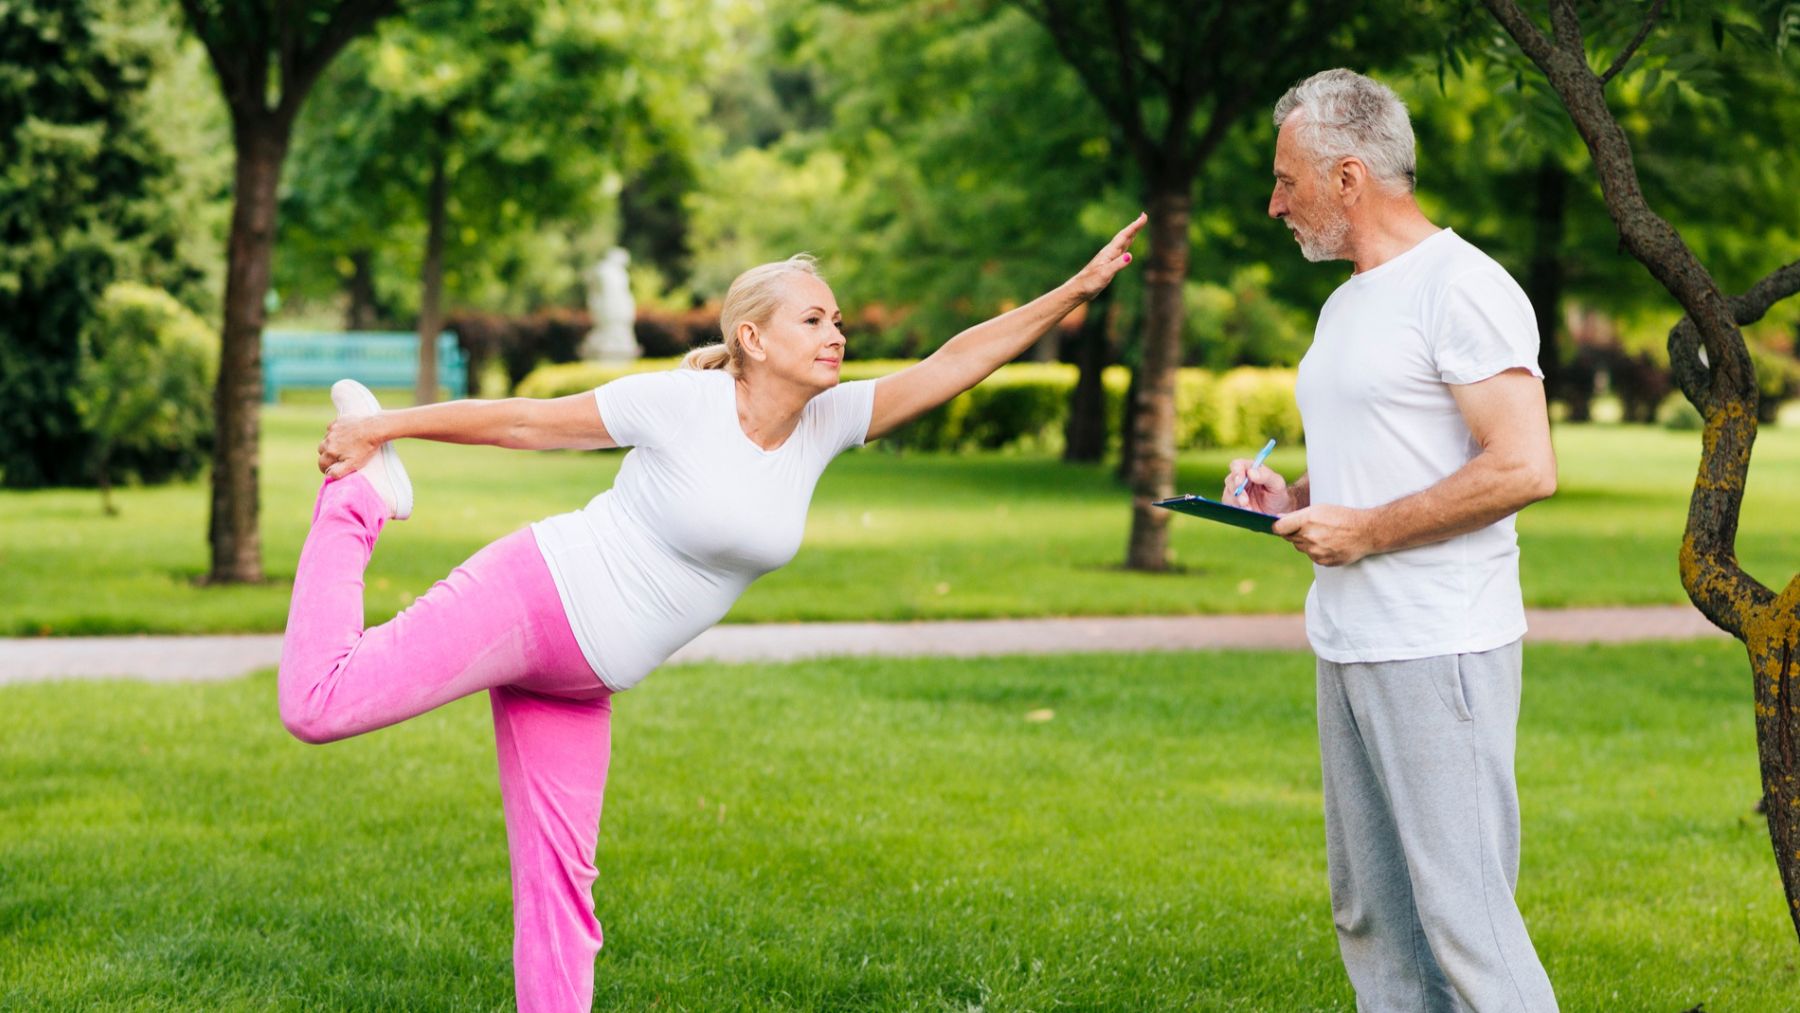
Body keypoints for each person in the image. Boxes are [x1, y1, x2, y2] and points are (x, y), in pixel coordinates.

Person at [280, 215, 1144, 1012]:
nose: (837, 334)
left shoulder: (827, 423)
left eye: (839, 320)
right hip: (537, 595)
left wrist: (1075, 290)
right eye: (814, 319)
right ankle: (359, 502)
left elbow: (954, 362)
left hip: (583, 681)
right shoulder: (684, 404)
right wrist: (383, 429)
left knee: (562, 888)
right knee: (319, 704)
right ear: (753, 338)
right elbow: (527, 424)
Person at [1225, 69, 1559, 1011]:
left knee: (1467, 923)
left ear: (1347, 177)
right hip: (1349, 638)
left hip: (1438, 642)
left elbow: (1524, 466)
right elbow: (1388, 453)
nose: (1273, 203)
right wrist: (1294, 494)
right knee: (1373, 918)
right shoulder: (1348, 302)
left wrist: (1367, 530)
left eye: (1286, 180)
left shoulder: (1463, 287)